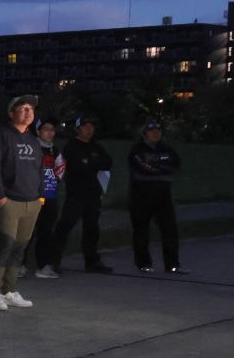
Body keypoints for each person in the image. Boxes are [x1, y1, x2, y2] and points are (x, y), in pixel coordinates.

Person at [0, 95, 44, 312]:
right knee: (6, 245)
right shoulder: (1, 135)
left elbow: (39, 169)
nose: (28, 112)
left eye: (31, 108)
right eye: (23, 108)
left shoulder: (33, 140)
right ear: (12, 113)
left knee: (20, 247)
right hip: (9, 201)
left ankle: (10, 289)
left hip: (32, 202)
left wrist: (41, 197)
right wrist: (0, 197)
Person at [53, 114, 115, 273]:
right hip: (76, 194)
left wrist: (90, 162)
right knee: (65, 226)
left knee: (92, 228)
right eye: (85, 126)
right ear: (77, 129)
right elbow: (78, 166)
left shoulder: (96, 146)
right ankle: (52, 261)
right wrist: (93, 163)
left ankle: (92, 262)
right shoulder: (72, 146)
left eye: (91, 126)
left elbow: (107, 162)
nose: (89, 129)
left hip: (93, 194)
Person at [128, 120, 183, 274]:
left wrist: (157, 167)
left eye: (158, 130)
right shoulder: (137, 150)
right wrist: (160, 168)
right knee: (141, 230)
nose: (155, 133)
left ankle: (172, 264)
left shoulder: (167, 150)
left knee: (170, 229)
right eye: (151, 130)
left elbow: (175, 166)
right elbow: (143, 167)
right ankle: (144, 264)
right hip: (141, 195)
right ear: (145, 133)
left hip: (163, 195)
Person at [28, 119, 65, 279]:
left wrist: (53, 180)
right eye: (46, 129)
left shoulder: (54, 150)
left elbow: (61, 167)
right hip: (33, 195)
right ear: (38, 131)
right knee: (27, 231)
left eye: (52, 129)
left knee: (46, 231)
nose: (50, 132)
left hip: (50, 196)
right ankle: (19, 265)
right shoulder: (31, 148)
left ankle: (43, 265)